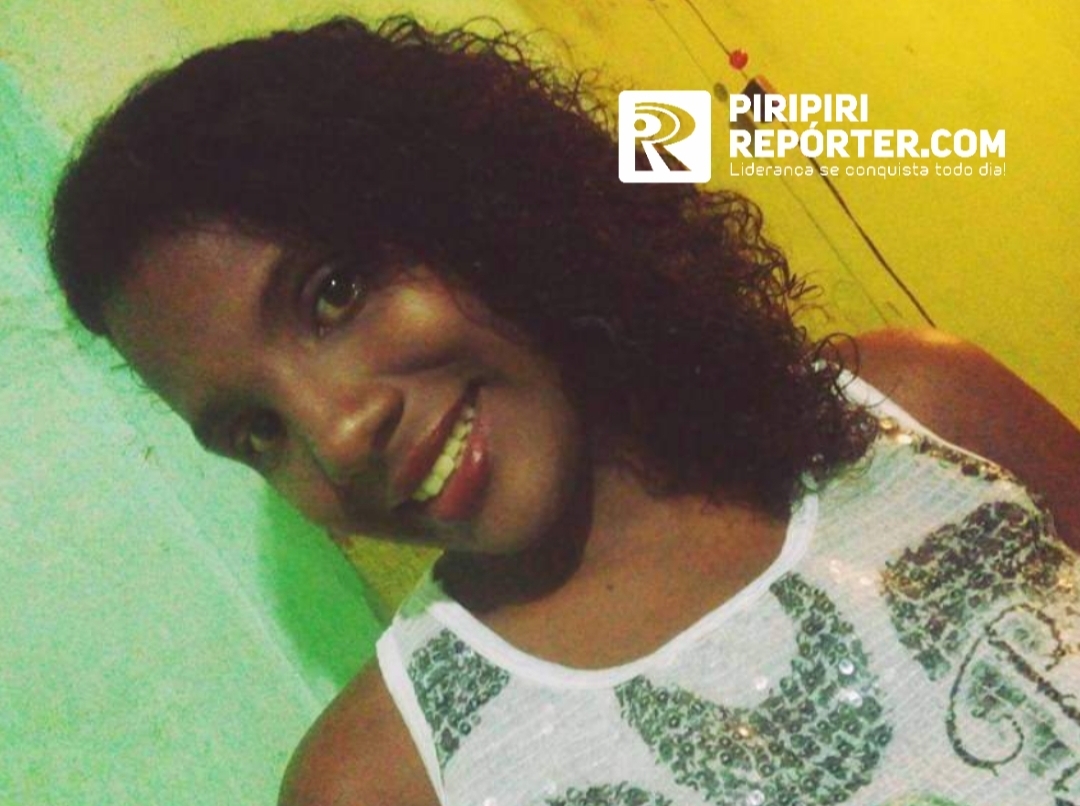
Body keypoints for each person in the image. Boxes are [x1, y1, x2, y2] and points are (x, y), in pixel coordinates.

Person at [48, 15, 1080, 806]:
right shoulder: (383, 782)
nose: (336, 431)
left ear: (473, 201)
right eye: (255, 430)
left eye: (333, 293)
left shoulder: (922, 414)